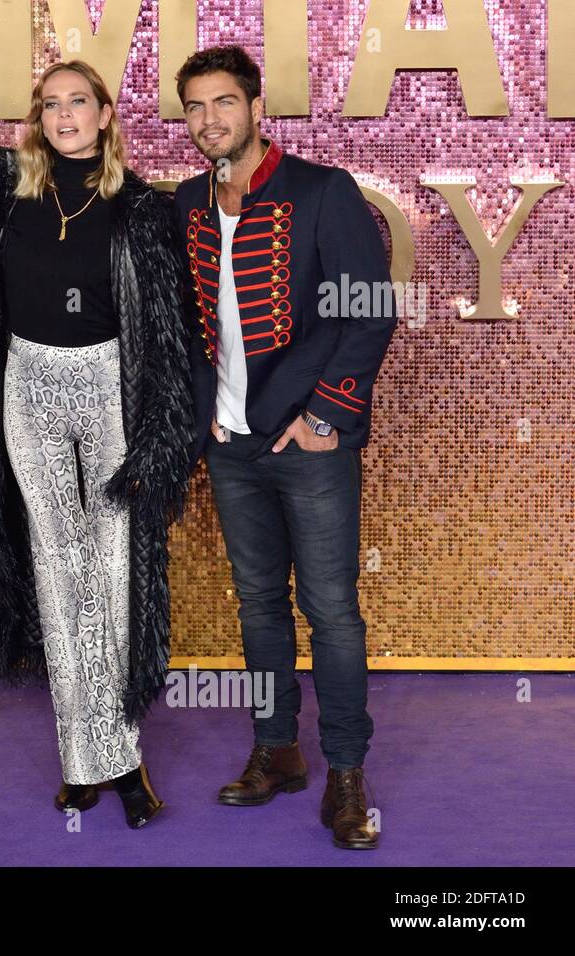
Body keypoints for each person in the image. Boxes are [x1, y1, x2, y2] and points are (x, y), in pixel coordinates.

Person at [0, 61, 193, 828]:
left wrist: (158, 435)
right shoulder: (4, 190)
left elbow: (170, 334)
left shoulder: (142, 208)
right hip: (28, 383)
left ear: (107, 112)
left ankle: (120, 753)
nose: (64, 115)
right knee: (58, 568)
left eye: (77, 102)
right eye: (50, 105)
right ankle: (85, 763)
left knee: (113, 570)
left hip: (109, 383)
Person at [174, 46, 396, 849]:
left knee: (331, 612)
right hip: (230, 446)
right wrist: (203, 417)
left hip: (310, 444)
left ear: (257, 107)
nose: (210, 121)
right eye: (195, 108)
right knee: (260, 607)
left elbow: (369, 310)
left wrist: (327, 417)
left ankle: (345, 773)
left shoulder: (321, 191)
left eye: (224, 103)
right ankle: (276, 750)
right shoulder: (187, 205)